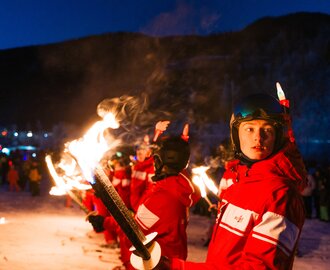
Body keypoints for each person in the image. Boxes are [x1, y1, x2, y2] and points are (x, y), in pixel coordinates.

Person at [155, 93, 307, 269]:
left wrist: (177, 268)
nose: (258, 137)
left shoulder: (280, 195)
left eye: (267, 130)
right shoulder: (240, 181)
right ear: (236, 135)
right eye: (249, 129)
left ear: (277, 136)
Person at [89, 135, 201, 270]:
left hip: (156, 262)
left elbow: (134, 234)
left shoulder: (162, 196)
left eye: (155, 158)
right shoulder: (175, 188)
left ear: (161, 162)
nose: (153, 163)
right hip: (167, 259)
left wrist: (105, 223)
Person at [129, 135, 155, 212]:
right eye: (138, 153)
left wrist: (140, 207)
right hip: (135, 206)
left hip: (143, 207)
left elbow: (150, 191)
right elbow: (134, 188)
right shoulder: (137, 166)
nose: (139, 155)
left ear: (148, 153)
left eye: (141, 153)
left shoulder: (151, 168)